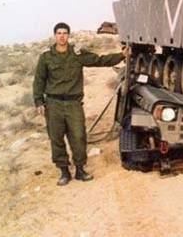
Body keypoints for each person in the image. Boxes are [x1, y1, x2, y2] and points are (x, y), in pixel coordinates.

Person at [33, 22, 129, 186]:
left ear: (68, 35)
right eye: (59, 33)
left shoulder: (77, 54)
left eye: (65, 33)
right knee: (56, 138)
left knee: (78, 136)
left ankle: (80, 169)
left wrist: (121, 55)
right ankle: (64, 171)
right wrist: (38, 101)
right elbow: (39, 80)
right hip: (53, 104)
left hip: (73, 104)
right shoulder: (46, 57)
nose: (62, 36)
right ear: (55, 35)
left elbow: (99, 60)